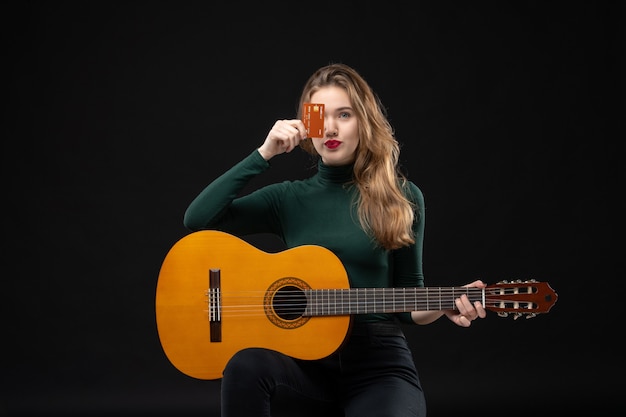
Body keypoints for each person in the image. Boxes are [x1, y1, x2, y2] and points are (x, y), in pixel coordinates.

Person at [183, 63, 487, 417]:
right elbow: (198, 219)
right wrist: (263, 154)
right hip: (303, 364)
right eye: (320, 116)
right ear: (305, 125)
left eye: (344, 114)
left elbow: (407, 302)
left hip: (377, 365)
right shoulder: (287, 199)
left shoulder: (403, 197)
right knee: (245, 365)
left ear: (365, 121)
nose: (330, 127)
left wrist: (446, 302)